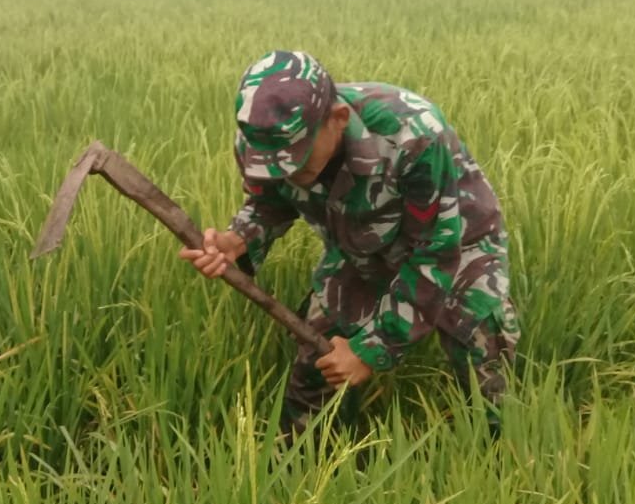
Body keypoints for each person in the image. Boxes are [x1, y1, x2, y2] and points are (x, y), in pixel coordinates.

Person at [179, 51, 518, 437]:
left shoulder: (413, 134)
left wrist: (371, 350)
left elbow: (434, 253)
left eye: (300, 165)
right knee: (321, 355)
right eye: (276, 166)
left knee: (480, 346)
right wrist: (237, 239)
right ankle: (300, 462)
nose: (291, 177)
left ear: (337, 120)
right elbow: (269, 201)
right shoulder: (264, 142)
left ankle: (498, 454)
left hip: (457, 239)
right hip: (361, 244)